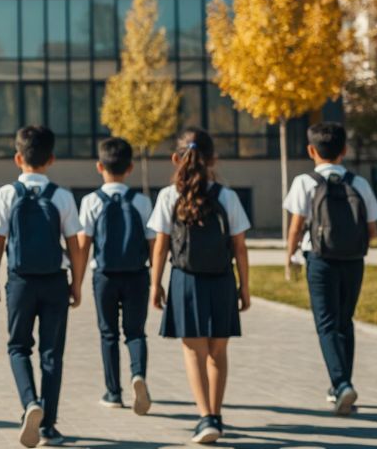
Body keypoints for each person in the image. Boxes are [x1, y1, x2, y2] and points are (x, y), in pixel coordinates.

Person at [0, 125, 85, 447]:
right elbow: (75, 245)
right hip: (55, 281)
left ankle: (30, 403)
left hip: (20, 282)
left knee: (18, 347)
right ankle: (49, 427)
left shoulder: (6, 194)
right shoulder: (62, 196)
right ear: (51, 159)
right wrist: (77, 284)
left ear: (18, 158)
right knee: (52, 354)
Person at [148, 128, 251, 444]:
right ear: (213, 160)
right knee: (218, 351)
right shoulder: (227, 196)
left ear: (175, 158)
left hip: (185, 280)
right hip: (221, 279)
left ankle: (205, 417)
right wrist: (244, 287)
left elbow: (161, 245)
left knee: (194, 351)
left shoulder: (169, 196)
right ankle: (216, 415)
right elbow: (240, 247)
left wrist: (155, 284)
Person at [283, 121, 377, 415]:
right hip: (353, 261)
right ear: (345, 150)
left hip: (319, 260)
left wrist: (290, 258)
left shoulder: (305, 182)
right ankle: (341, 384)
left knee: (326, 323)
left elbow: (296, 226)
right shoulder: (359, 183)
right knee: (344, 321)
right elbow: (373, 230)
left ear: (311, 150)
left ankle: (341, 385)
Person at [76, 137, 155, 415]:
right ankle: (138, 374)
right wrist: (156, 281)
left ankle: (113, 392)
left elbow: (83, 246)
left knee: (108, 334)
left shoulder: (90, 201)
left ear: (99, 166)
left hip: (104, 276)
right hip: (137, 275)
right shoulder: (142, 202)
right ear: (130, 168)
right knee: (136, 332)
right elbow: (153, 243)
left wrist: (76, 283)